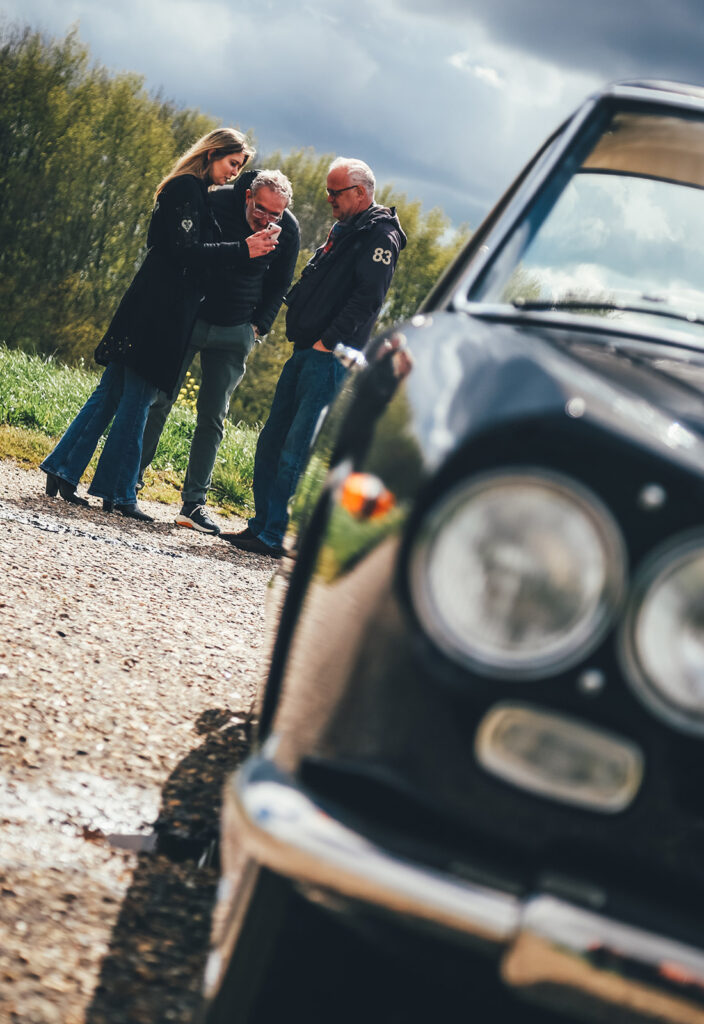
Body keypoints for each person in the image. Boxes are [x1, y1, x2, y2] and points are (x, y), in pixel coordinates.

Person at [39, 129, 279, 521]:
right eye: (233, 164)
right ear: (214, 153)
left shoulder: (197, 192)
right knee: (138, 399)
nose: (236, 174)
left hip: (158, 305)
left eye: (240, 167)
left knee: (112, 393)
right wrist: (243, 249)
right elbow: (183, 250)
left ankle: (63, 468)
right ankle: (118, 492)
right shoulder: (185, 189)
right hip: (158, 310)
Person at [223, 156, 406, 557]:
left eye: (335, 192)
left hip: (329, 357)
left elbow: (367, 300)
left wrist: (329, 341)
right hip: (305, 351)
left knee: (296, 447)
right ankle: (261, 525)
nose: (328, 199)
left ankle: (276, 534)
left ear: (361, 192)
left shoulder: (379, 236)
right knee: (272, 441)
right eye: (327, 191)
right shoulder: (347, 228)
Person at [138, 169, 300, 534]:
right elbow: (190, 252)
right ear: (248, 197)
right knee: (160, 400)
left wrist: (258, 327)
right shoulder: (217, 201)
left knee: (213, 417)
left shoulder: (287, 230)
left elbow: (280, 285)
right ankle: (130, 482)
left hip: (237, 329)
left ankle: (193, 503)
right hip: (192, 318)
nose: (267, 219)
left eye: (275, 214)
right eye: (261, 210)